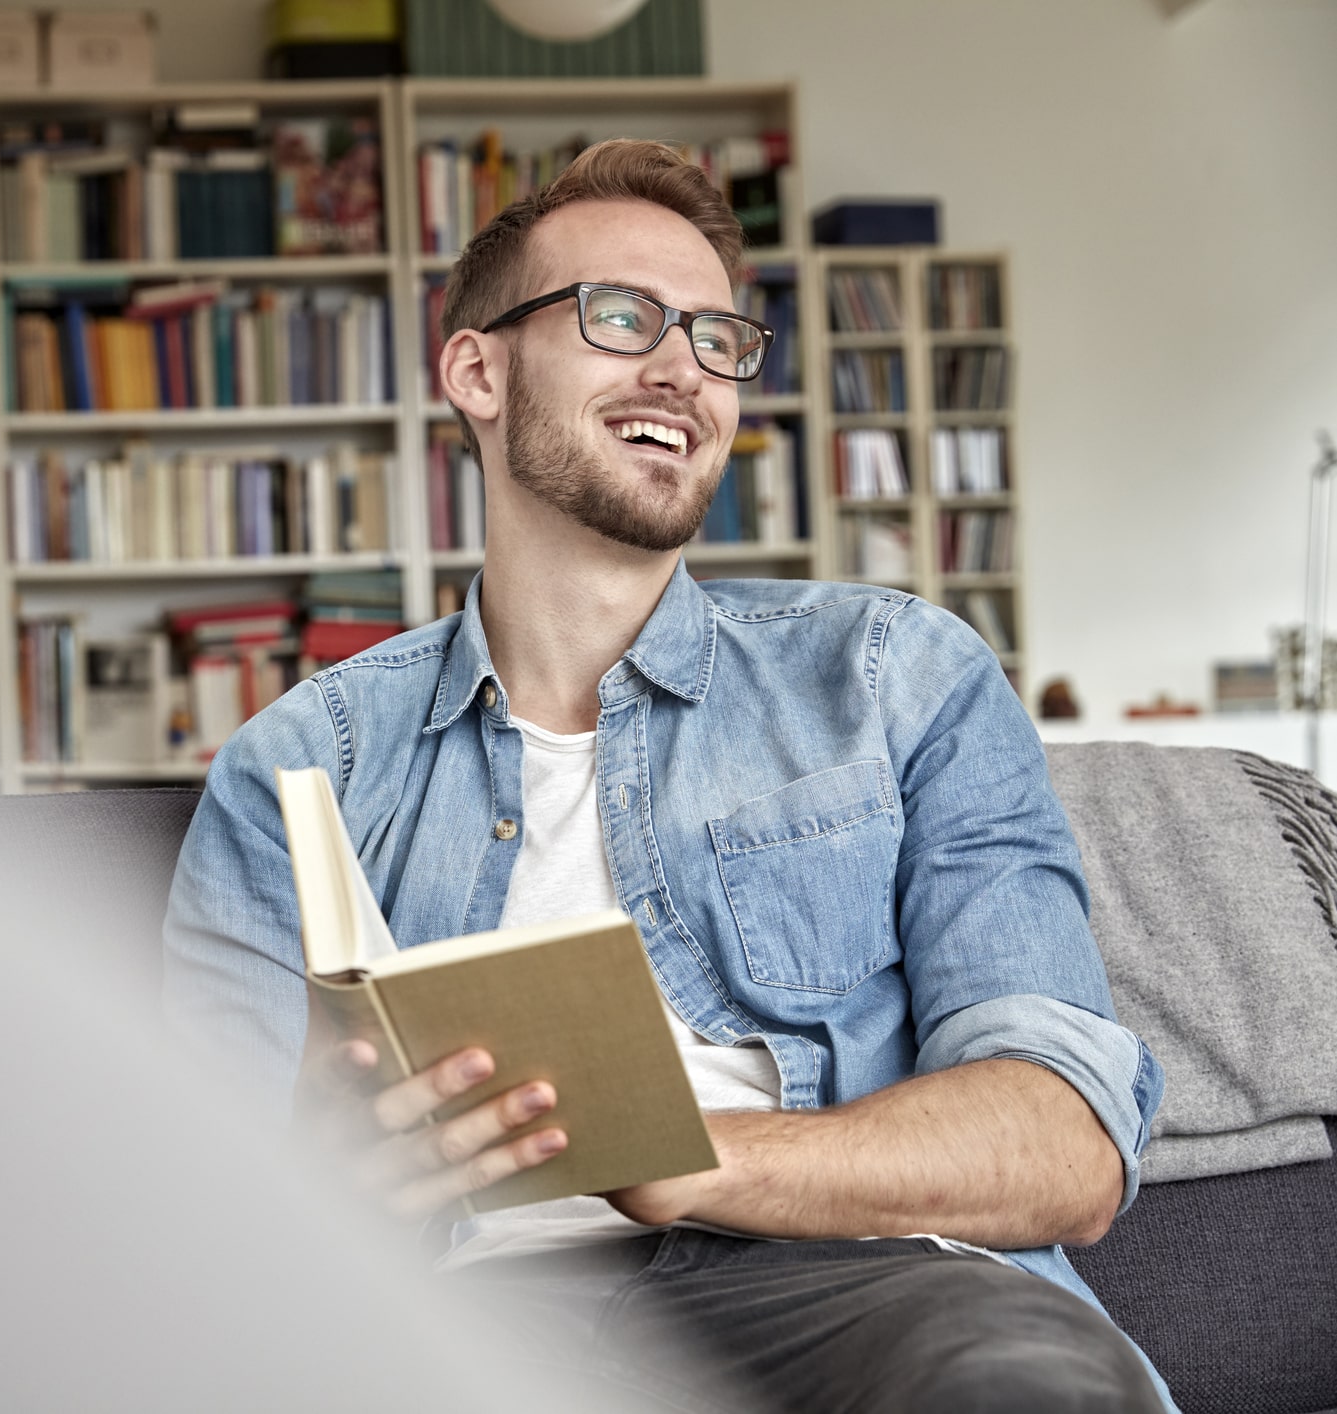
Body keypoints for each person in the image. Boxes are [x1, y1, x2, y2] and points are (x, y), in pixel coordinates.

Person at [161, 139, 1170, 1413]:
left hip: (865, 1289)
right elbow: (193, 1221)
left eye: (717, 337)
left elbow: (1061, 1142)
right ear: (477, 368)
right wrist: (327, 1167)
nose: (684, 367)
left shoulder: (897, 675)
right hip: (474, 1321)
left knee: (1018, 1385)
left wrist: (696, 1160)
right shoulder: (301, 764)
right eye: (621, 316)